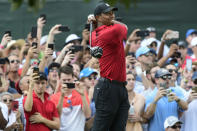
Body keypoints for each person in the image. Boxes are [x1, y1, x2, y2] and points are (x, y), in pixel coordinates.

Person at [90, 2, 130, 131]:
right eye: (107, 13)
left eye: (112, 12)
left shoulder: (96, 32)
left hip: (118, 86)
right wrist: (112, 21)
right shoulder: (112, 31)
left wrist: (95, 22)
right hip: (109, 87)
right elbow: (125, 27)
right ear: (98, 17)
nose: (112, 15)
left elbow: (96, 29)